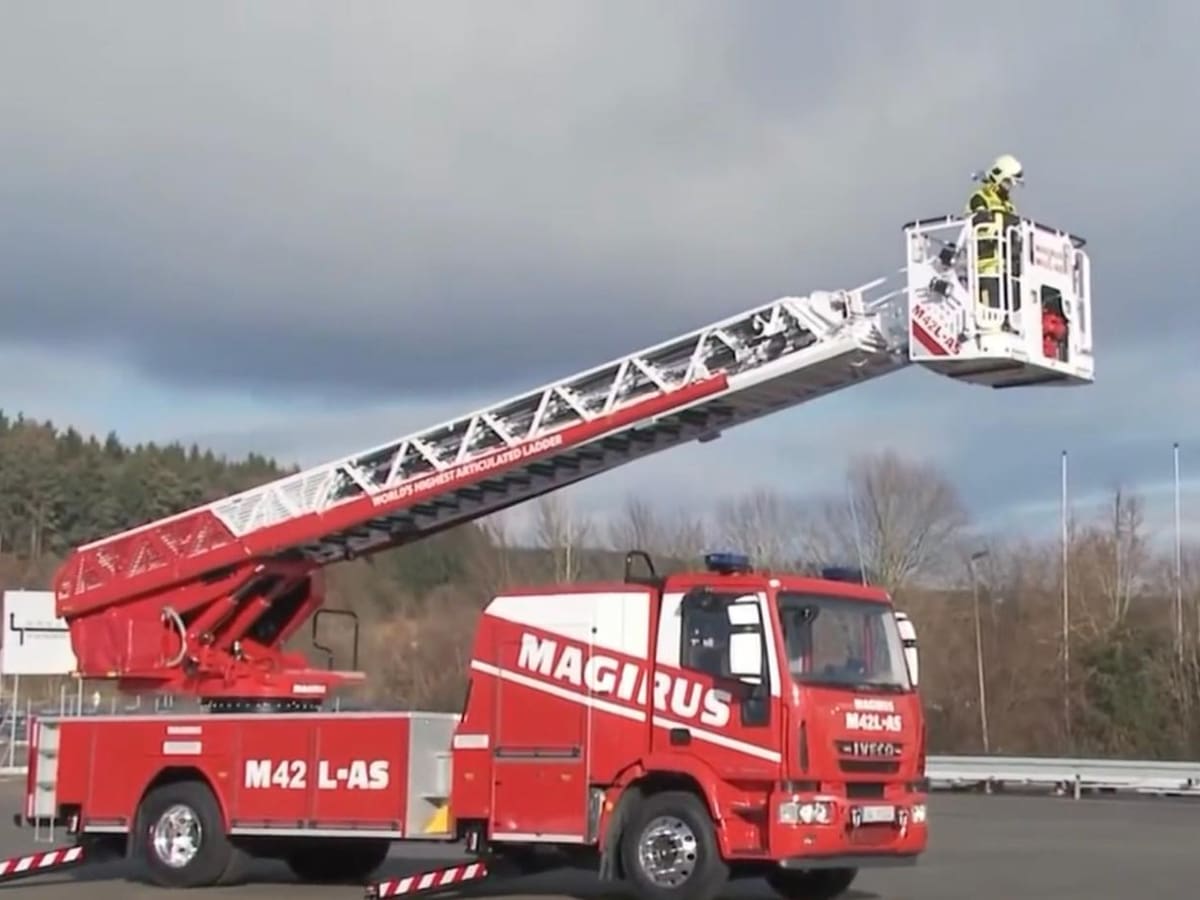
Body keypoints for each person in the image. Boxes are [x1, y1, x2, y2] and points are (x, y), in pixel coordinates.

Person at [966, 154, 1023, 316]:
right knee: (993, 310)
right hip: (986, 266)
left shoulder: (1009, 205)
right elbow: (982, 220)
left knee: (1011, 308)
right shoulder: (980, 198)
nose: (1009, 187)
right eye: (1008, 182)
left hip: (1007, 266)